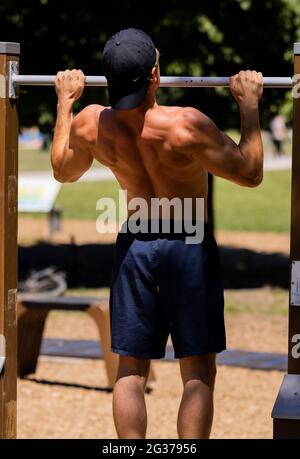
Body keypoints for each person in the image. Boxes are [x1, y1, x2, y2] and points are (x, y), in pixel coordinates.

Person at [51, 28, 264, 439]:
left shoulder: (93, 123)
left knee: (130, 370)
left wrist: (64, 103)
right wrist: (250, 105)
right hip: (188, 244)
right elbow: (250, 172)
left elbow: (64, 169)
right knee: (197, 371)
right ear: (155, 74)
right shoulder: (185, 125)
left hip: (135, 245)